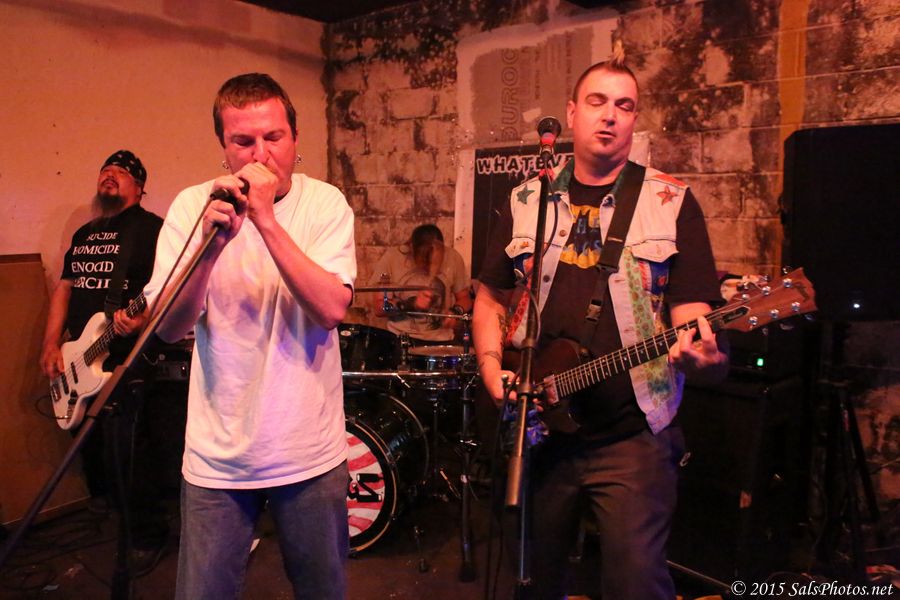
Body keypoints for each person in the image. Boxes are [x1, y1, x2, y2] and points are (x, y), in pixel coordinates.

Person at [472, 57, 730, 599]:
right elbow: (491, 298)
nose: (609, 115)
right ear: (571, 113)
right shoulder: (526, 199)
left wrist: (701, 351)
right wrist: (492, 370)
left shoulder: (669, 201)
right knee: (532, 579)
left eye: (624, 105)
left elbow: (690, 312)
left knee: (635, 582)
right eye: (597, 102)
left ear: (634, 120)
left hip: (631, 435)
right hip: (537, 427)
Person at [143, 73, 355, 600]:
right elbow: (168, 327)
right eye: (243, 141)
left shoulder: (325, 204)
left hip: (308, 450)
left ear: (295, 139)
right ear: (224, 147)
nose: (261, 153)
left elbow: (331, 309)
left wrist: (265, 221)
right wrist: (211, 248)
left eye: (273, 137)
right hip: (218, 456)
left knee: (322, 591)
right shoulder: (193, 207)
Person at [39, 149, 167, 573]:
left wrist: (143, 316)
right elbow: (65, 289)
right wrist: (51, 344)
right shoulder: (84, 233)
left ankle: (149, 535)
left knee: (132, 447)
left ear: (140, 186)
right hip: (81, 356)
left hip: (127, 356)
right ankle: (112, 506)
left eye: (122, 172)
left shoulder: (152, 230)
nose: (110, 175)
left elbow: (166, 288)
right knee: (95, 444)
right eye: (105, 170)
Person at [369, 224, 472, 343]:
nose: (430, 265)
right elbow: (379, 308)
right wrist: (411, 304)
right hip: (401, 339)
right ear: (412, 249)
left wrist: (455, 312)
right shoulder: (392, 258)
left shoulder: (453, 257)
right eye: (424, 260)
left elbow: (465, 299)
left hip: (441, 340)